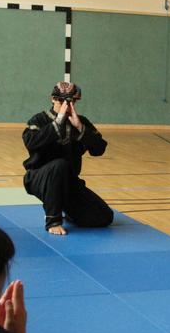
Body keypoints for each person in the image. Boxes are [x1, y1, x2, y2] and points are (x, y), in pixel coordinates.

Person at [22, 81, 114, 235]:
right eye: (61, 100)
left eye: (70, 101)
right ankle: (53, 220)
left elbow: (99, 149)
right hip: (39, 178)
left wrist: (80, 128)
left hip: (68, 182)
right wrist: (57, 123)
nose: (66, 104)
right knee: (59, 165)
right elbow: (31, 142)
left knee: (104, 217)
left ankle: (68, 209)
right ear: (53, 99)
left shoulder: (81, 122)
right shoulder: (39, 120)